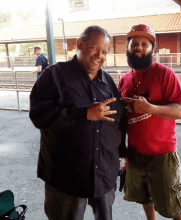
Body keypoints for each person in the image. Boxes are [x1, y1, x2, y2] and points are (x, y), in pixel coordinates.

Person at [29, 26, 127, 220]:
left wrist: (123, 154)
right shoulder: (53, 76)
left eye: (105, 52)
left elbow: (118, 121)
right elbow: (39, 116)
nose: (100, 56)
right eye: (94, 48)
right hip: (67, 177)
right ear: (79, 44)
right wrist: (84, 114)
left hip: (104, 173)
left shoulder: (107, 81)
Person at [118, 24, 181, 220]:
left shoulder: (165, 74)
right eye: (134, 44)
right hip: (134, 153)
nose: (138, 47)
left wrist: (150, 108)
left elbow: (180, 111)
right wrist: (121, 150)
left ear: (152, 49)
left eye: (144, 44)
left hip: (162, 154)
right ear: (128, 49)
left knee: (174, 204)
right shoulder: (124, 80)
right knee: (144, 198)